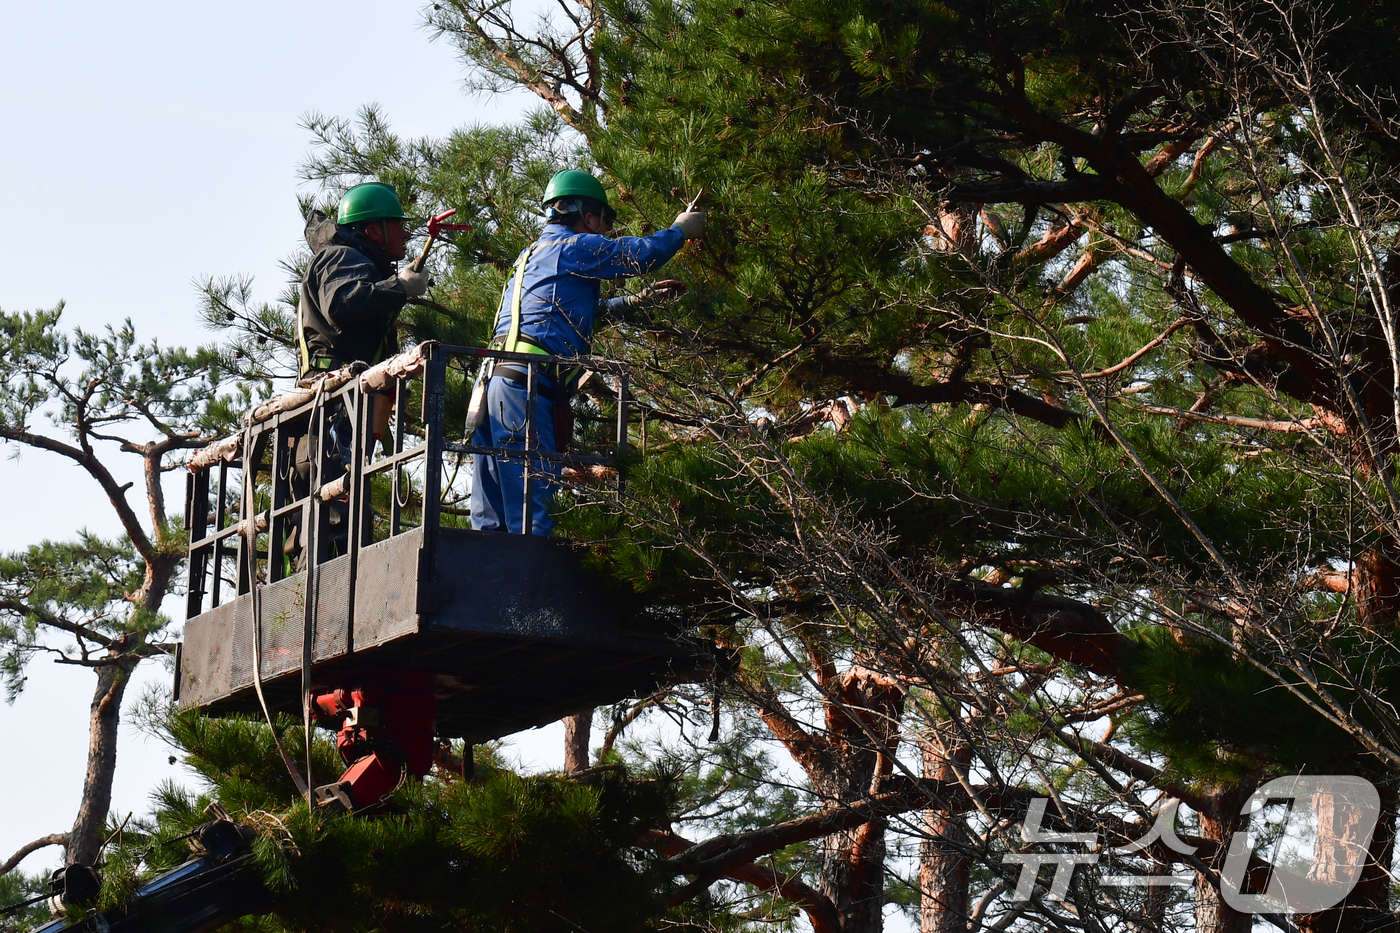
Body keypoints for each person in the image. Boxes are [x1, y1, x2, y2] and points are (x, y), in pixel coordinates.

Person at [470, 170, 705, 535]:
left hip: (491, 388)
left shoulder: (530, 256)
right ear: (589, 215)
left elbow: (565, 317)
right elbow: (638, 254)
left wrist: (634, 302)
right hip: (525, 389)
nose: (605, 234)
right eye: (605, 224)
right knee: (533, 518)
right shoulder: (574, 247)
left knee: (490, 525)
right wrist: (680, 231)